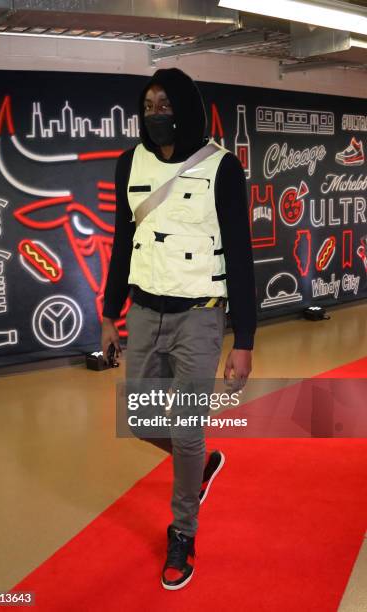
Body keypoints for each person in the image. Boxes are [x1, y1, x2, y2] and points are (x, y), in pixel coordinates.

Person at [102, 67, 257, 590]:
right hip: (144, 312)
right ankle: (205, 459)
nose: (155, 115)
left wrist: (246, 339)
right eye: (148, 106)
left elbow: (239, 254)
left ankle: (183, 533)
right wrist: (109, 314)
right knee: (141, 420)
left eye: (165, 105)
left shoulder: (222, 168)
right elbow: (123, 244)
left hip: (200, 315)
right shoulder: (131, 163)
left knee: (186, 429)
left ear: (186, 108)